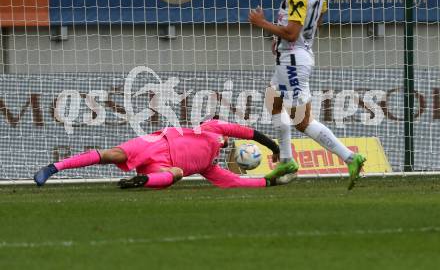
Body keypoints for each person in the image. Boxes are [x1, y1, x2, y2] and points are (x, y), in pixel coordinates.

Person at [248, 0, 366, 189]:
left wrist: (263, 23)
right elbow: (320, 16)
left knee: (302, 121)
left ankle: (350, 157)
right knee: (273, 100)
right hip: (293, 56)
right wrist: (297, 39)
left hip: (293, 60)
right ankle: (287, 159)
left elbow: (291, 33)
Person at [34, 119, 293, 189]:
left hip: (162, 166)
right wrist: (274, 147)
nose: (229, 139)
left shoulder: (209, 168)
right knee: (112, 154)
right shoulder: (211, 128)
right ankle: (53, 168)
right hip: (156, 143)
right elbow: (246, 132)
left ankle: (141, 181)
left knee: (177, 173)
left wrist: (268, 179)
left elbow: (236, 181)